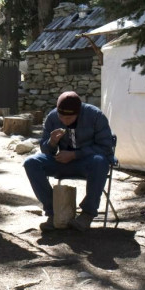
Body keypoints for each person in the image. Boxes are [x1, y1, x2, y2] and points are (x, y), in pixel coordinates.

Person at [23, 91, 114, 232]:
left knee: (100, 161)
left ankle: (87, 214)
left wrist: (75, 155)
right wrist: (52, 142)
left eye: (69, 117)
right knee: (31, 162)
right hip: (61, 162)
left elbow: (105, 148)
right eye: (62, 117)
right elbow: (46, 151)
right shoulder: (52, 117)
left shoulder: (95, 115)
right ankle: (54, 212)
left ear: (79, 112)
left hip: (88, 163)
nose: (64, 120)